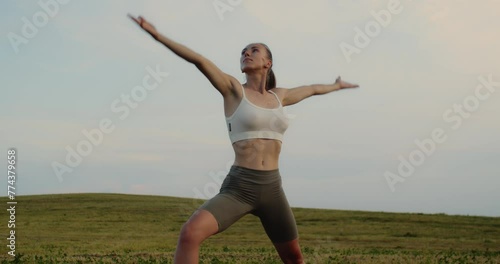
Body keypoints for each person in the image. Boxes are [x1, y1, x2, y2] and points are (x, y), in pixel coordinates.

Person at [129, 14, 359, 264]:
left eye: (254, 50)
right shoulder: (233, 90)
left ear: (267, 62)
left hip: (273, 189)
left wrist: (335, 86)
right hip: (240, 188)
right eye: (243, 52)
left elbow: (313, 89)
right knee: (190, 233)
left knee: (294, 258)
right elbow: (198, 60)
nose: (246, 53)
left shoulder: (280, 96)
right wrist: (157, 35)